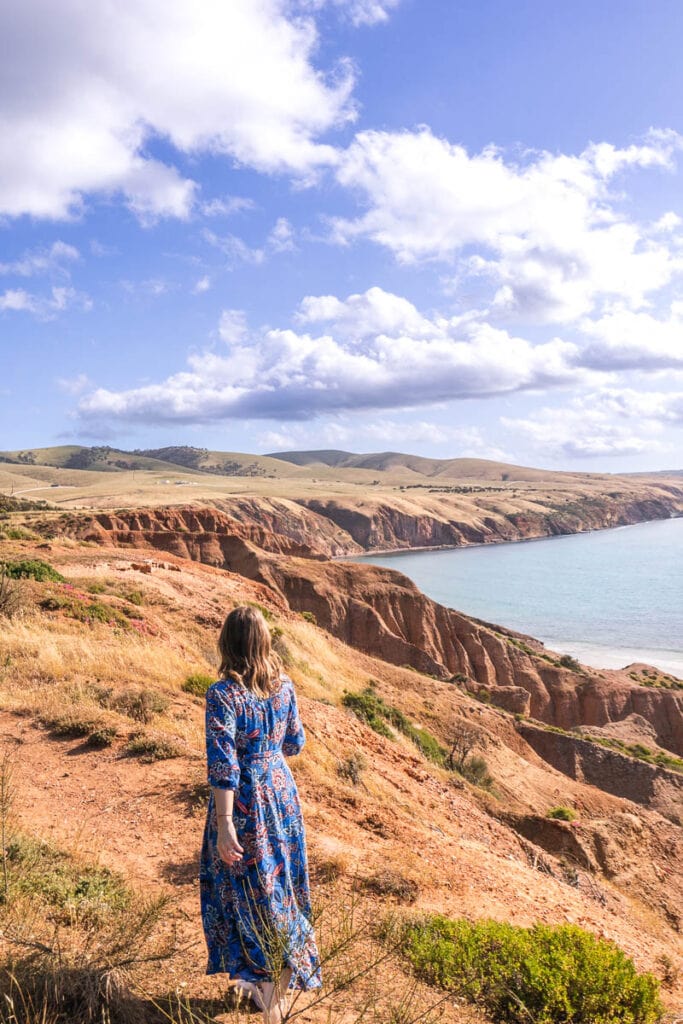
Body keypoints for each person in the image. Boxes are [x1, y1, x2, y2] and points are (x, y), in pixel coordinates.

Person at [200, 605, 322, 1023]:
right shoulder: (284, 686)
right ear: (264, 641)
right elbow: (295, 744)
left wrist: (224, 823)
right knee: (281, 884)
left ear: (226, 642)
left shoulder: (222, 695)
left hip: (246, 802)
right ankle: (269, 979)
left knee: (245, 891)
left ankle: (269, 996)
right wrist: (267, 752)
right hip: (282, 795)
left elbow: (223, 765)